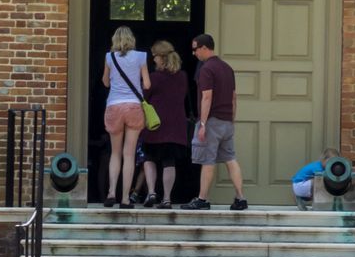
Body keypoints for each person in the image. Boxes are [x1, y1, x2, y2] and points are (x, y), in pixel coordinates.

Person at [184, 32, 246, 211]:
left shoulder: (206, 69)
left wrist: (202, 124)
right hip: (227, 122)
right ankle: (240, 198)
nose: (194, 53)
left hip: (212, 121)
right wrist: (232, 120)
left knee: (207, 160)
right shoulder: (227, 68)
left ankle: (202, 199)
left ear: (204, 48)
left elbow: (206, 96)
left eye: (195, 49)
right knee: (230, 159)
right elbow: (234, 98)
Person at [99, 25, 149, 208]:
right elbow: (148, 84)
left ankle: (111, 192)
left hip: (114, 105)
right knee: (129, 155)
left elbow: (105, 82)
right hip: (134, 106)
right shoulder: (141, 56)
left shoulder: (109, 57)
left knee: (115, 153)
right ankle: (126, 198)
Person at [139, 40, 191, 208]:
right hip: (176, 125)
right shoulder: (182, 77)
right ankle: (167, 198)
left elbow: (143, 97)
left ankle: (152, 192)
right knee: (169, 161)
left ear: (161, 57)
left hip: (155, 125)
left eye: (154, 56)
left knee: (149, 158)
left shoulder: (154, 78)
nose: (153, 59)